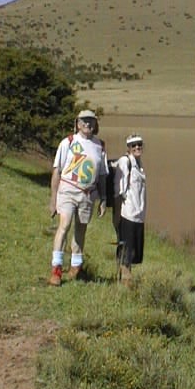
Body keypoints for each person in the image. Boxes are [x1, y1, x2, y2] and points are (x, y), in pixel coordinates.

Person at [48, 110, 108, 286]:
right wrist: (53, 199)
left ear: (95, 124)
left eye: (91, 121)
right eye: (84, 121)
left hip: (88, 194)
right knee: (64, 225)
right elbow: (57, 171)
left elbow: (103, 175)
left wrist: (103, 198)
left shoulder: (100, 146)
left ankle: (76, 268)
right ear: (77, 123)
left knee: (81, 230)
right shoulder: (68, 142)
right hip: (67, 190)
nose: (87, 124)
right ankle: (56, 269)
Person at [113, 133, 147, 286]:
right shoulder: (125, 162)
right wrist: (116, 216)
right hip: (127, 214)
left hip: (138, 215)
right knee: (126, 252)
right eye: (133, 145)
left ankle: (125, 279)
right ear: (128, 147)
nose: (137, 147)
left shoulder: (139, 165)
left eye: (139, 144)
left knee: (134, 254)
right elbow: (118, 191)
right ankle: (125, 281)